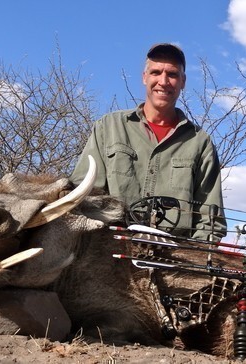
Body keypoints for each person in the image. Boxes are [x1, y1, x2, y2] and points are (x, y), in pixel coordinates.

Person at [70, 43, 227, 241]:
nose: (163, 81)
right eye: (156, 72)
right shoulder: (107, 127)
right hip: (110, 251)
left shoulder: (200, 141)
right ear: (145, 77)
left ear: (183, 82)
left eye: (172, 74)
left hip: (174, 257)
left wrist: (194, 257)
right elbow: (82, 197)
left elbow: (210, 222)